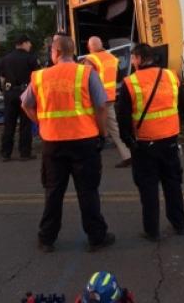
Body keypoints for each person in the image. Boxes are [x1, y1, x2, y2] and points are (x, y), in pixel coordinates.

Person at [21, 35, 114, 253]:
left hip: (53, 142)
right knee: (88, 191)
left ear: (56, 52)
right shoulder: (86, 73)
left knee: (53, 192)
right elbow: (101, 106)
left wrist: (42, 123)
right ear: (72, 51)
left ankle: (46, 238)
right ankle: (96, 237)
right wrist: (102, 132)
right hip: (84, 141)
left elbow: (25, 104)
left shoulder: (40, 77)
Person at [118, 44, 184, 241]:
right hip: (170, 140)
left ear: (139, 58)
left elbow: (123, 117)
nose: (131, 62)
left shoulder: (130, 83)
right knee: (173, 182)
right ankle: (179, 223)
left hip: (144, 143)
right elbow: (183, 104)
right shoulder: (171, 76)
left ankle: (152, 230)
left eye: (132, 58)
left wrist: (128, 141)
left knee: (148, 188)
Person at [85, 36, 132, 168]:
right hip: (110, 97)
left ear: (89, 47)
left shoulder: (91, 59)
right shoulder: (112, 57)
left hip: (96, 99)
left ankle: (89, 159)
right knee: (114, 128)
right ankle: (128, 154)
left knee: (89, 128)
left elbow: (87, 80)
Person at [0, 35, 39, 161]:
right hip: (25, 93)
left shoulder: (6, 58)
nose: (30, 46)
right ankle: (25, 153)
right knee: (25, 124)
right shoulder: (31, 58)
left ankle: (6, 153)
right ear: (23, 43)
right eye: (29, 43)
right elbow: (37, 76)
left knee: (9, 124)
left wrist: (4, 90)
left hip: (10, 93)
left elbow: (1, 76)